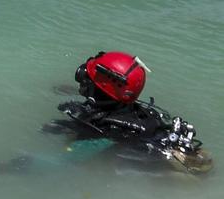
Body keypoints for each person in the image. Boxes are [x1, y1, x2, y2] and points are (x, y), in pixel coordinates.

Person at [34, 51, 209, 172]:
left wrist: (10, 167)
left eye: (89, 80)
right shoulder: (130, 109)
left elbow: (59, 163)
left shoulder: (110, 131)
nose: (84, 80)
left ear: (103, 89)